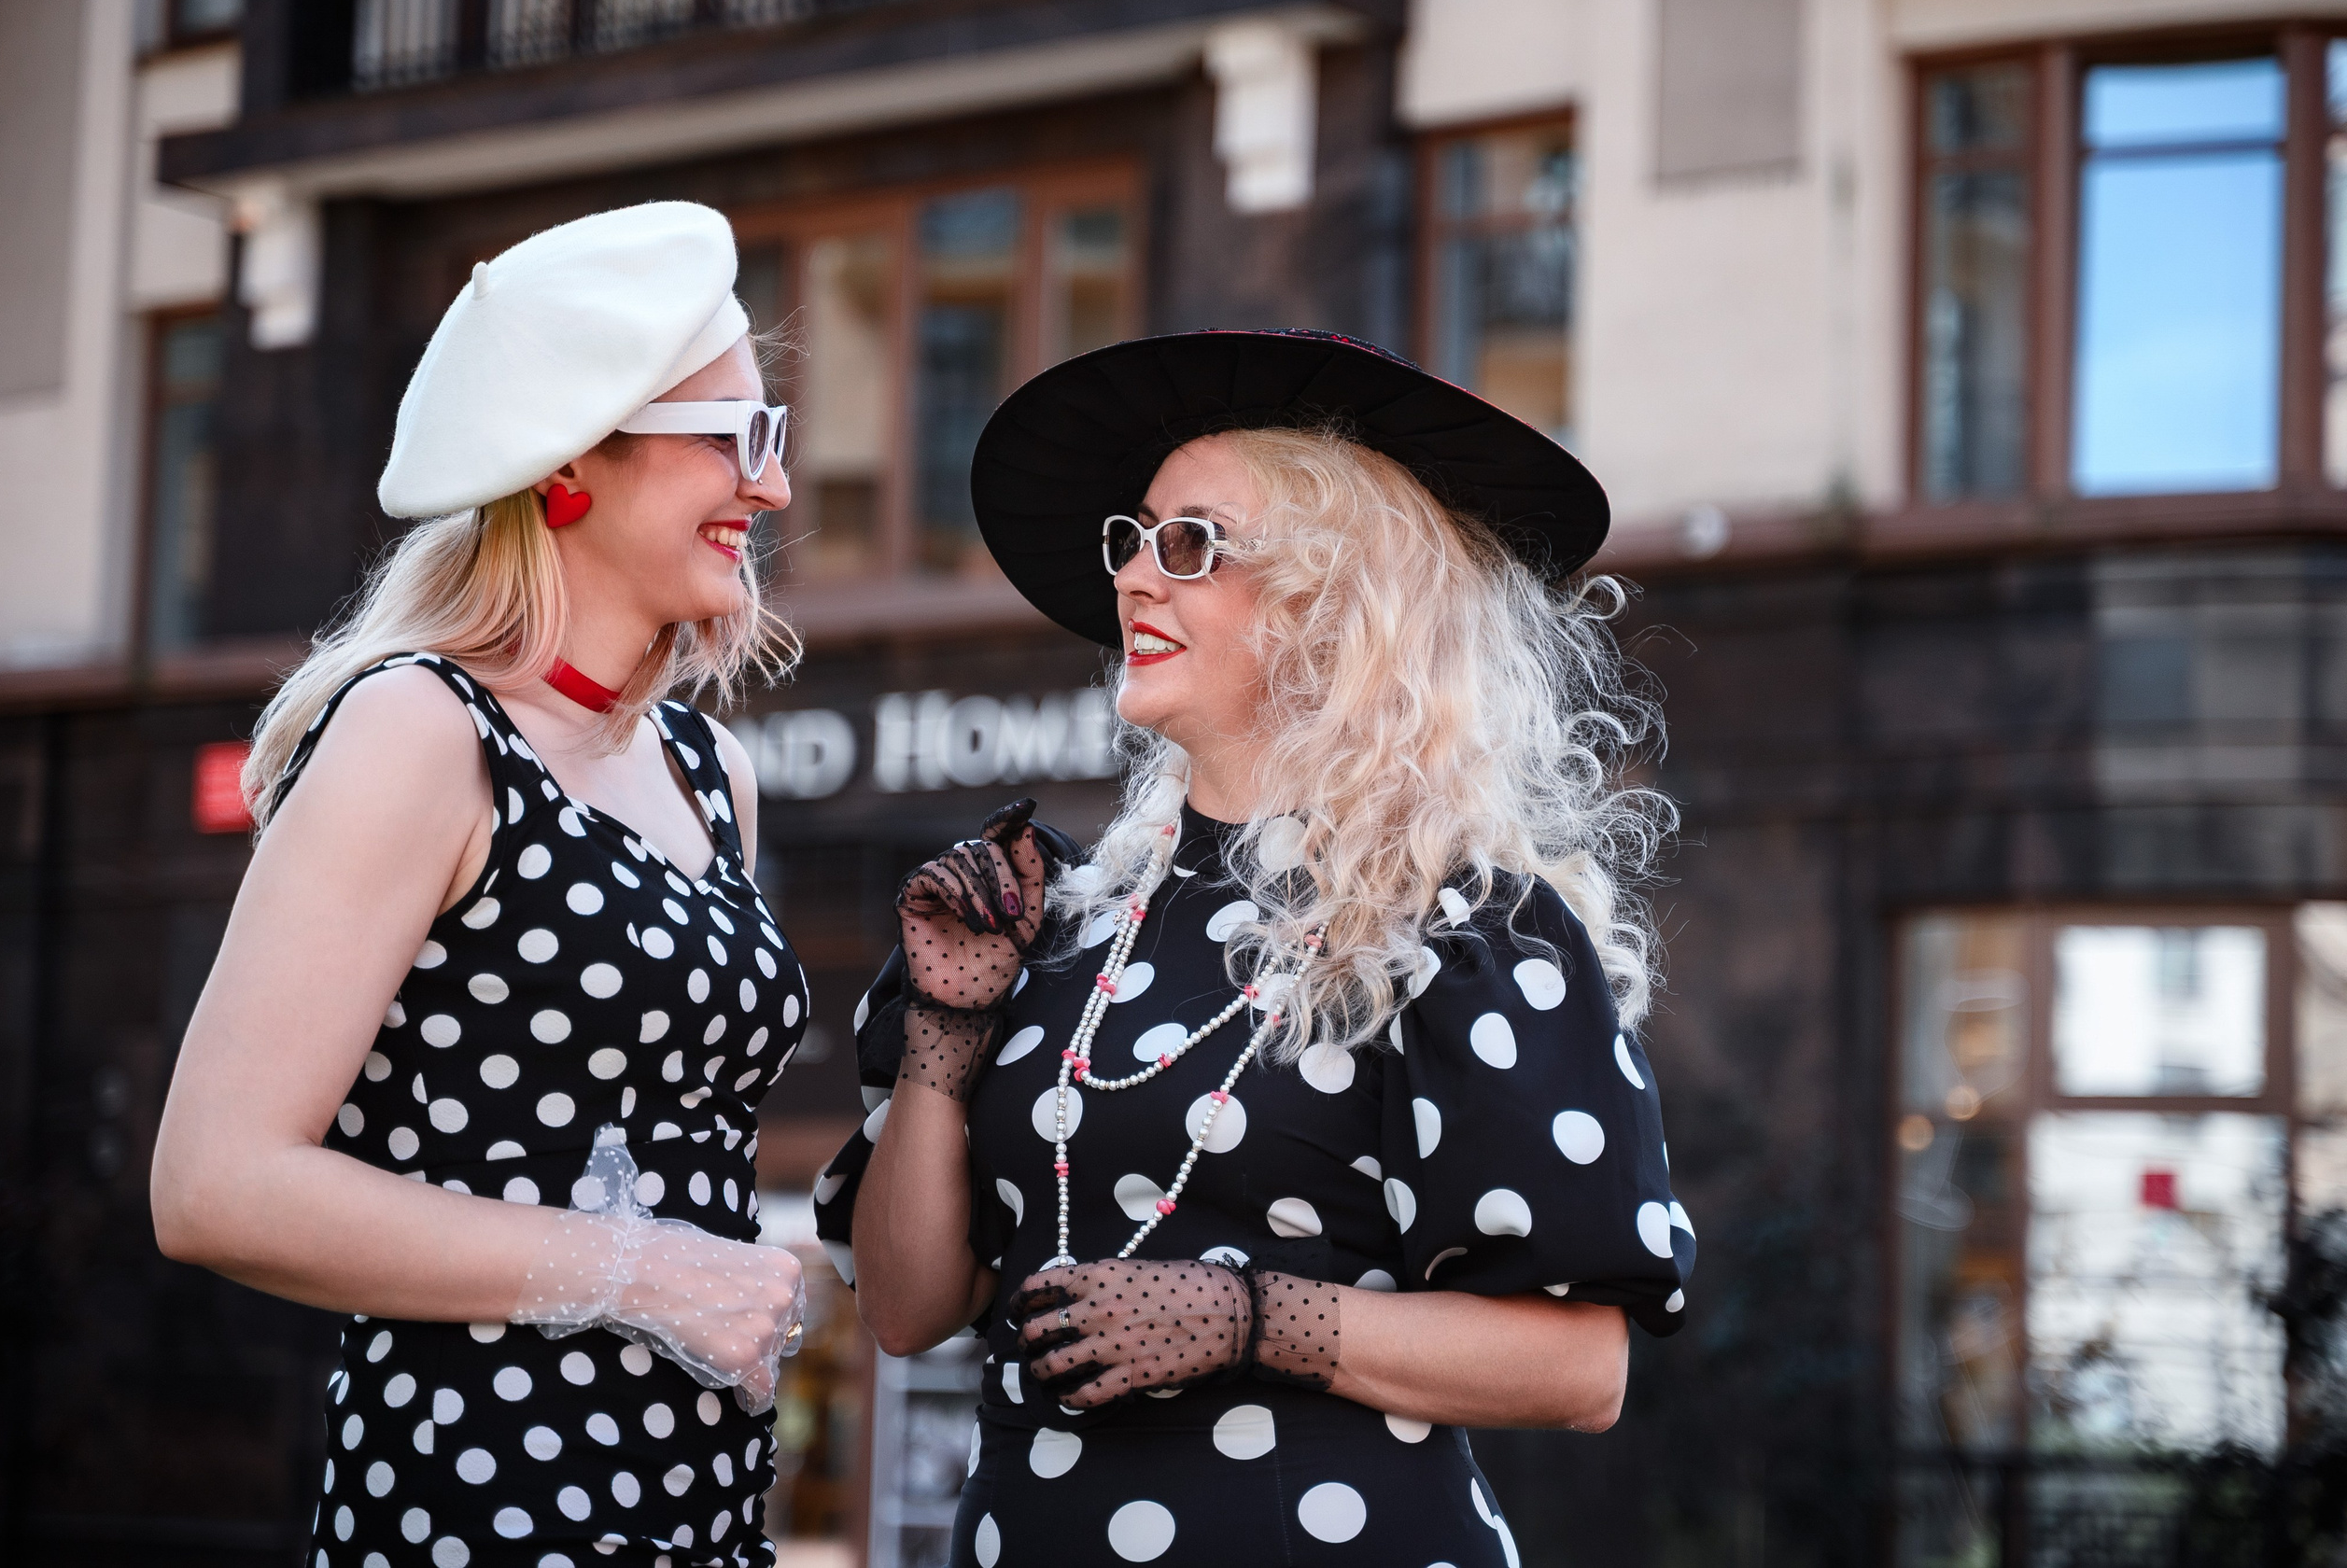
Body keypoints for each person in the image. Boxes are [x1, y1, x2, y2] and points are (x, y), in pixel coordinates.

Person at [814, 329, 1695, 1564]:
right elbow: (908, 1313)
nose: (1135, 577)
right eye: (1132, 540)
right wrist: (947, 1033)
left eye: (1191, 543)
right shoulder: (1054, 925)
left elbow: (1580, 1369)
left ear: (1335, 605)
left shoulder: (1464, 928)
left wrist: (1252, 1318)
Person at [151, 203, 813, 1568]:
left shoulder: (711, 770)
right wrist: (642, 1272)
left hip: (699, 1502)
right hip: (485, 1492)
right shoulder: (421, 728)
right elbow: (214, 1185)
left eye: (776, 436)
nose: (775, 488)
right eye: (734, 437)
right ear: (570, 457)